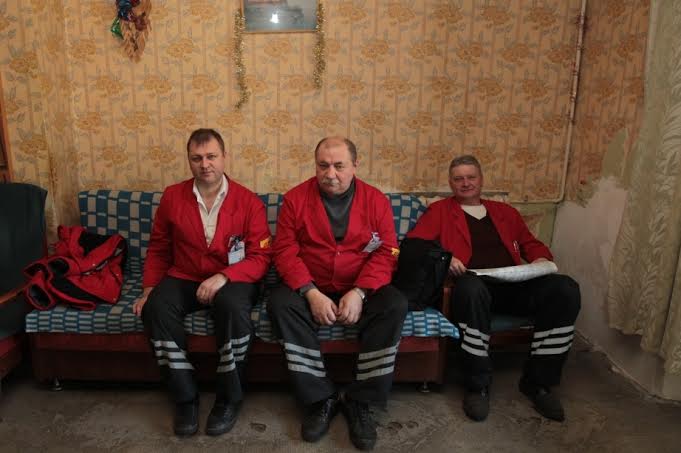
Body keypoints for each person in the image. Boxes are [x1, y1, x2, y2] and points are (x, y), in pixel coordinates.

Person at [407, 154, 580, 422]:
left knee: (565, 289)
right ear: (451, 184)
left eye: (471, 177)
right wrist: (446, 258)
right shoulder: (440, 211)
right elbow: (415, 245)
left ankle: (539, 382)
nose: (465, 183)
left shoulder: (505, 213)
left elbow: (530, 244)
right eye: (458, 179)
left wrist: (540, 259)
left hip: (513, 283)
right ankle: (477, 385)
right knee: (470, 289)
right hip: (471, 284)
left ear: (481, 179)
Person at [268, 137, 407, 450]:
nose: (330, 174)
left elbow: (387, 251)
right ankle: (320, 399)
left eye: (339, 166)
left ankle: (362, 401)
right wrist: (310, 292)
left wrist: (360, 291)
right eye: (323, 165)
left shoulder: (376, 200)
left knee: (395, 304)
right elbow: (285, 251)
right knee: (279, 303)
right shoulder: (294, 199)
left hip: (361, 283)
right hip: (312, 283)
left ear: (355, 165)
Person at [132, 128, 272, 436]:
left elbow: (261, 258)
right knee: (156, 308)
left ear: (224, 157)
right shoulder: (172, 196)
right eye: (197, 158)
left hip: (234, 277)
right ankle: (185, 397)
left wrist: (224, 277)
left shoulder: (249, 201)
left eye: (211, 156)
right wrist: (149, 289)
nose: (204, 164)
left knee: (231, 307)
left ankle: (229, 398)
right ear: (189, 160)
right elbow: (159, 248)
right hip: (185, 274)